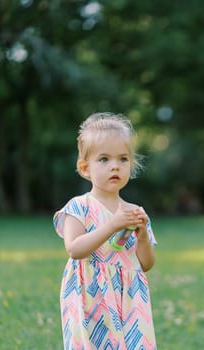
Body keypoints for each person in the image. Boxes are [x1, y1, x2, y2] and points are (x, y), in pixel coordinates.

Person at [53, 112, 157, 350]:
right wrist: (112, 225)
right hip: (91, 295)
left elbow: (147, 264)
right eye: (104, 159)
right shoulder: (79, 207)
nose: (115, 166)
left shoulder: (135, 212)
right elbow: (74, 248)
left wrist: (142, 237)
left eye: (123, 159)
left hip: (130, 297)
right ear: (85, 167)